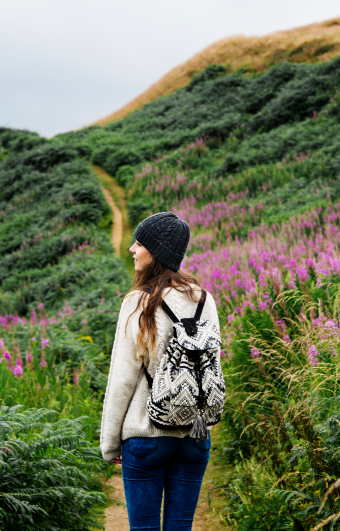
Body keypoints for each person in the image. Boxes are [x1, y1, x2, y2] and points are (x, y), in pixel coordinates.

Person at [100, 211, 220, 531]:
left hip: (146, 435)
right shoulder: (203, 299)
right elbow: (211, 366)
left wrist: (110, 442)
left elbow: (123, 378)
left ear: (156, 252)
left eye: (139, 243)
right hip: (194, 435)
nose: (132, 249)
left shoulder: (138, 302)